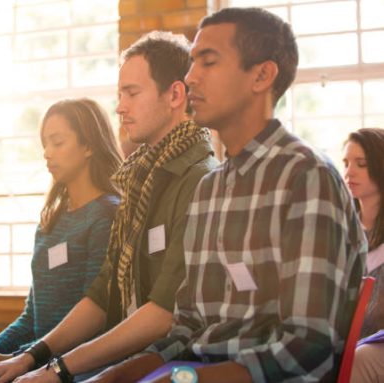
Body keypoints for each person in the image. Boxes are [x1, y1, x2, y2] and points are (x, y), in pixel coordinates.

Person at [91, 7, 367, 383]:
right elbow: (186, 328)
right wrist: (114, 376)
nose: (190, 77)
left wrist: (181, 380)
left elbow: (307, 349)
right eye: (192, 64)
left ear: (261, 75)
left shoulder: (306, 177)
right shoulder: (209, 190)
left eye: (208, 62)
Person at [0, 30, 217, 383]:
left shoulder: (200, 181)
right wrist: (28, 358)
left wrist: (57, 369)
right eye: (119, 94)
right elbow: (101, 296)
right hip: (124, 360)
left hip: (171, 366)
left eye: (132, 93)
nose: (120, 106)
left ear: (175, 94)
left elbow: (161, 315)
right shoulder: (138, 180)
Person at [0, 98, 122, 377]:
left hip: (72, 366)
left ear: (89, 145)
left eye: (57, 142)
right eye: (44, 143)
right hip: (30, 359)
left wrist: (16, 358)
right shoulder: (51, 220)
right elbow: (32, 315)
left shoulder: (107, 215)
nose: (46, 153)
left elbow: (92, 319)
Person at [343, 128, 384, 383]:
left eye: (361, 164)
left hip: (376, 342)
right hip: (346, 338)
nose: (349, 172)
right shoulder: (344, 230)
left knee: (360, 358)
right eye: (346, 163)